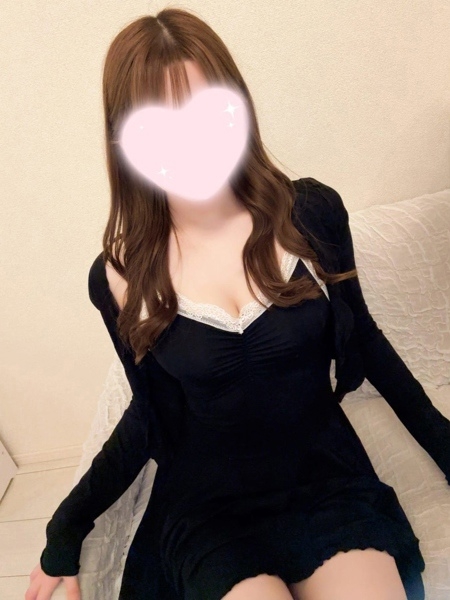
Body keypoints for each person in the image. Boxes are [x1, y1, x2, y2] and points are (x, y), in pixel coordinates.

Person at [26, 8, 450, 600]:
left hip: (324, 478)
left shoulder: (310, 214)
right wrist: (65, 529)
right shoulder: (119, 276)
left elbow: (368, 346)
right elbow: (151, 413)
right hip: (211, 509)